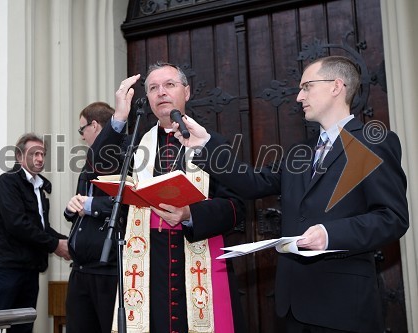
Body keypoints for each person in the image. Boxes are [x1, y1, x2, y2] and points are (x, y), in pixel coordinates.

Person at [175, 55, 409, 332]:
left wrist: (331, 234)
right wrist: (206, 145)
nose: (299, 97)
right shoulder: (300, 152)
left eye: (307, 86)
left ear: (336, 86)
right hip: (293, 305)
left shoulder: (374, 142)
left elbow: (392, 217)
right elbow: (253, 183)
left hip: (343, 304)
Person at [93, 62, 247, 333]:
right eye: (153, 88)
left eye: (169, 85)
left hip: (198, 252)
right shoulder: (134, 145)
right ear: (148, 98)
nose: (161, 92)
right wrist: (119, 115)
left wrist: (191, 215)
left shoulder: (212, 142)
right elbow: (96, 166)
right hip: (148, 266)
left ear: (186, 92)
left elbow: (237, 208)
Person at [0, 133, 70, 333]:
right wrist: (55, 245)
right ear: (19, 157)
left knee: (23, 328)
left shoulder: (39, 188)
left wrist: (69, 242)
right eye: (34, 153)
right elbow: (18, 225)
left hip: (30, 270)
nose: (39, 159)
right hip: (6, 271)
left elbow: (41, 228)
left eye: (42, 154)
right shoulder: (7, 183)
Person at [63, 102, 127, 333]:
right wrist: (72, 209)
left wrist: (89, 206)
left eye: (82, 130)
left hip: (107, 270)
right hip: (80, 268)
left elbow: (128, 203)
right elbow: (82, 202)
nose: (81, 137)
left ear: (95, 125)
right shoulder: (89, 160)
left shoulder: (123, 156)